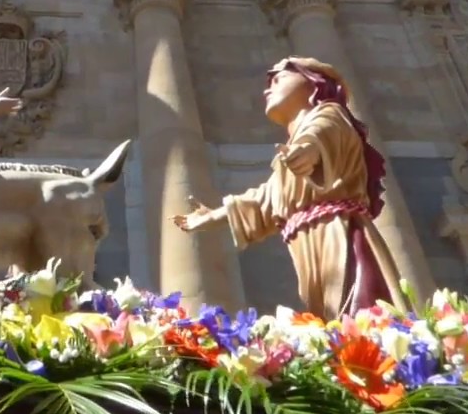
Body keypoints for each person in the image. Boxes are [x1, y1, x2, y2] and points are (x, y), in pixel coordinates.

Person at [172, 57, 406, 321]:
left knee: (358, 312)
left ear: (314, 85)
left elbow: (322, 134)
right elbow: (267, 198)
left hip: (339, 235)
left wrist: (308, 151)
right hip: (310, 241)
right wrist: (212, 216)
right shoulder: (289, 154)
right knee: (328, 318)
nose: (266, 89)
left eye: (278, 79)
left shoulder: (329, 114)